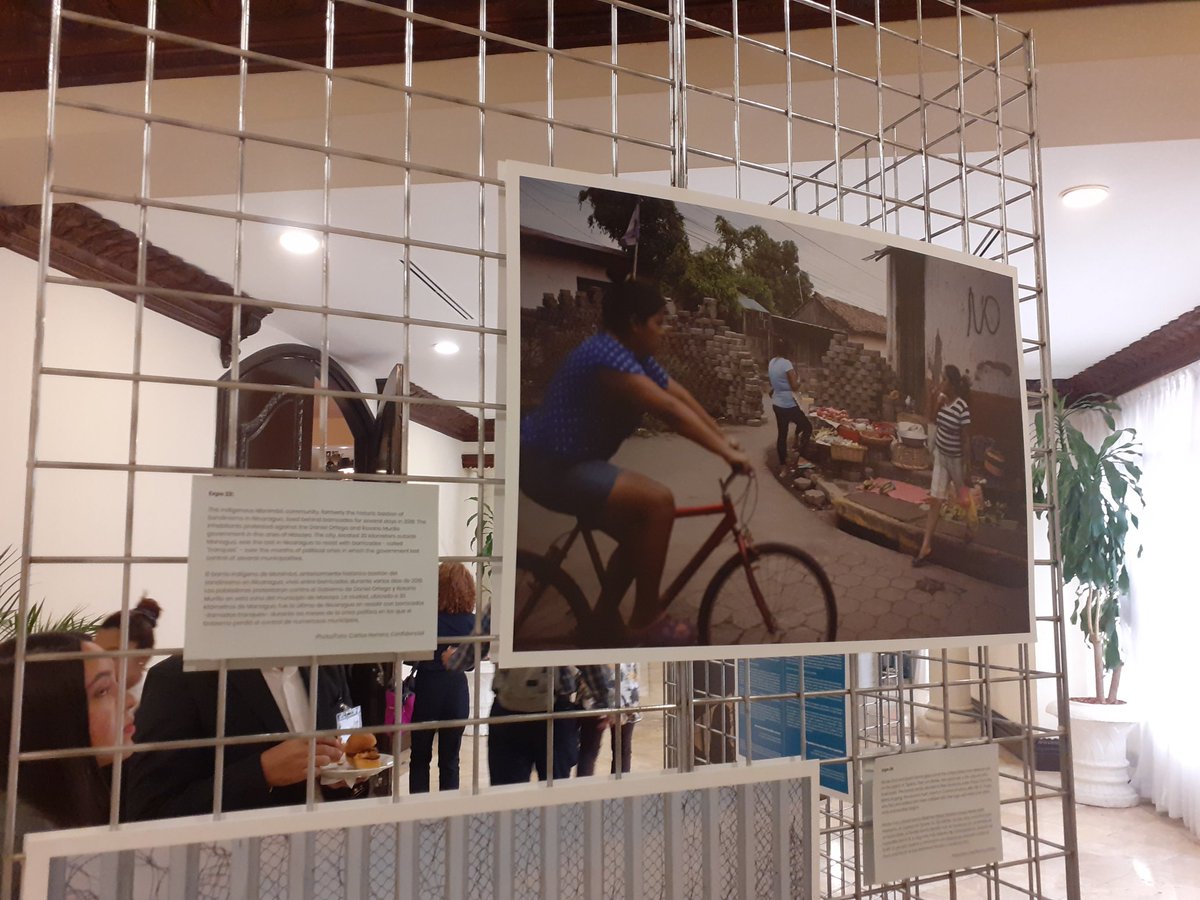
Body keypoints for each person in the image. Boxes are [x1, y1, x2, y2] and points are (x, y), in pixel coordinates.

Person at [520, 278, 750, 643]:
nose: (664, 329)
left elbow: (678, 395)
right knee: (658, 503)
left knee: (638, 534)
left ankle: (600, 622)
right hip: (548, 464)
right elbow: (670, 412)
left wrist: (724, 439)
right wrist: (725, 453)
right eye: (659, 321)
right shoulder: (606, 357)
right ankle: (646, 619)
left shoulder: (634, 358)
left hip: (571, 460)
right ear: (634, 323)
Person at [125, 659, 353, 819]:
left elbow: (345, 742)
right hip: (237, 863)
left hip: (338, 848)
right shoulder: (181, 677)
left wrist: (347, 770)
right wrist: (260, 773)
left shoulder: (325, 665)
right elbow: (150, 811)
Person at [0, 633, 136, 853]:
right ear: (48, 714)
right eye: (102, 691)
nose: (130, 700)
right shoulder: (23, 838)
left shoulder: (59, 808)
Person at [408, 562, 477, 793]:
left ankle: (418, 810)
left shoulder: (427, 621)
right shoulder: (473, 623)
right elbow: (471, 666)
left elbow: (410, 658)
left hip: (428, 690)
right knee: (450, 760)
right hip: (457, 692)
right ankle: (449, 813)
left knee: (419, 758)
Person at [914, 364, 972, 567]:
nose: (941, 383)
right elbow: (930, 419)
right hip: (941, 457)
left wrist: (967, 465)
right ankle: (925, 546)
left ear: (952, 384)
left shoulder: (962, 407)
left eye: (944, 380)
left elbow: (965, 439)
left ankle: (970, 527)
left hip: (955, 461)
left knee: (963, 498)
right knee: (935, 500)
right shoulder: (942, 403)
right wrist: (933, 398)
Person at [576, 662, 640, 776]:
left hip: (597, 694)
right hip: (623, 695)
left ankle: (586, 791)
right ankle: (618, 791)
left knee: (590, 750)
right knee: (619, 750)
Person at [92, 595, 162, 691]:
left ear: (144, 657)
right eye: (96, 655)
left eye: (112, 655)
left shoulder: (155, 700)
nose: (99, 664)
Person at [767, 338, 813, 475]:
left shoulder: (772, 362)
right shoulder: (786, 364)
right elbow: (794, 385)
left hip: (777, 403)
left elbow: (775, 383)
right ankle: (798, 457)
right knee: (807, 426)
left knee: (782, 434)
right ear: (787, 350)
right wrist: (801, 380)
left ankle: (783, 467)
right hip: (788, 404)